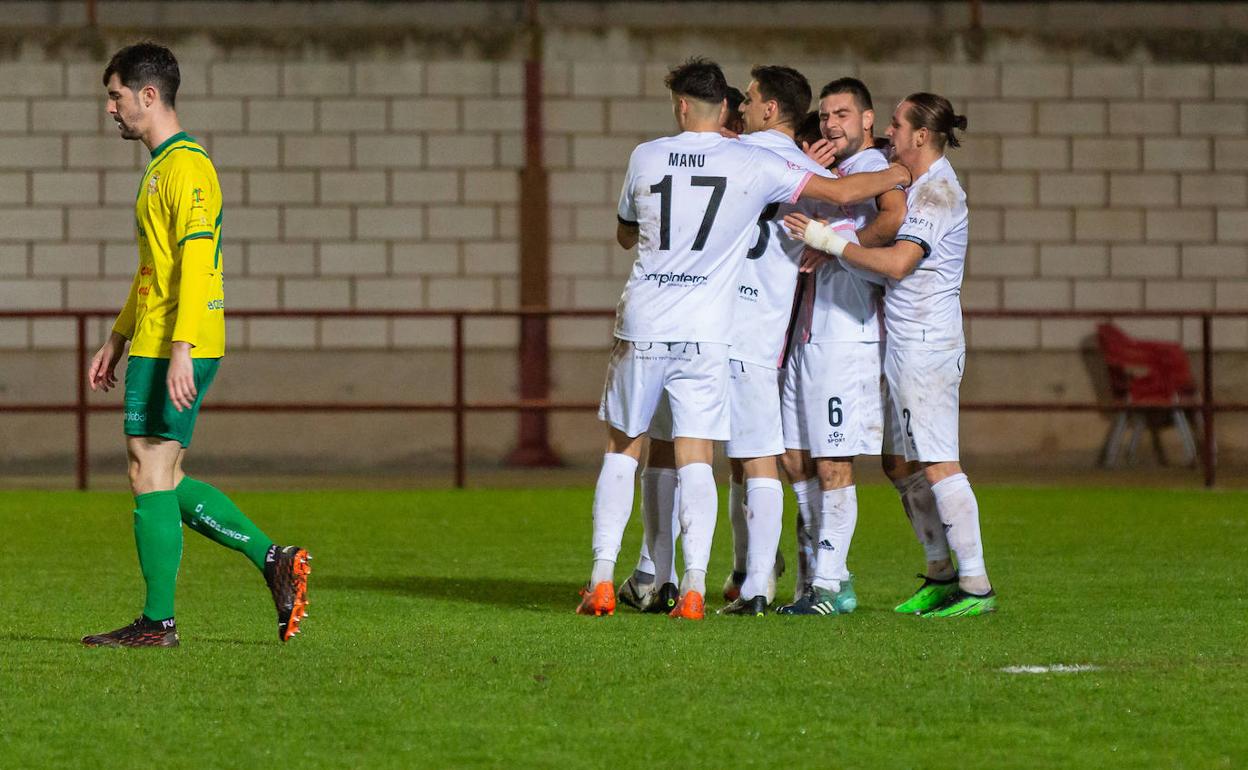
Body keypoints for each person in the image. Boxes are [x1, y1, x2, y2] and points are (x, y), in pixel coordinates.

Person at [578, 57, 909, 620]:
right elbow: (840, 192)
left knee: (632, 448)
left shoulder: (648, 154)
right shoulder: (755, 162)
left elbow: (625, 231)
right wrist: (899, 174)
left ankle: (624, 576)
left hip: (651, 320)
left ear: (683, 105)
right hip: (725, 331)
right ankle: (717, 585)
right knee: (719, 458)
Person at [82, 43, 311, 647]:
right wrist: (117, 336)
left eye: (116, 95)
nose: (110, 109)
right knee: (162, 473)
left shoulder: (188, 168)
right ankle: (273, 558)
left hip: (174, 343)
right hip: (156, 338)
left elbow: (199, 261)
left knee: (147, 469)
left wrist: (181, 344)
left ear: (147, 95)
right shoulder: (161, 168)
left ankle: (159, 623)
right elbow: (154, 270)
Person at [785, 92, 998, 617]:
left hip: (927, 344)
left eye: (898, 126)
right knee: (900, 461)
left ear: (921, 136)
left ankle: (976, 587)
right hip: (903, 342)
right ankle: (939, 573)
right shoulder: (918, 181)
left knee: (940, 462)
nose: (890, 137)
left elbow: (900, 264)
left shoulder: (938, 195)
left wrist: (829, 241)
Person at [775, 77, 906, 616]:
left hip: (846, 335)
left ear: (868, 119)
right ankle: (825, 577)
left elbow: (894, 220)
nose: (832, 124)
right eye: (826, 115)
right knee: (793, 458)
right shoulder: (831, 173)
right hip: (805, 333)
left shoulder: (876, 170)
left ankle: (828, 586)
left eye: (843, 114)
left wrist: (836, 246)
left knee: (834, 461)